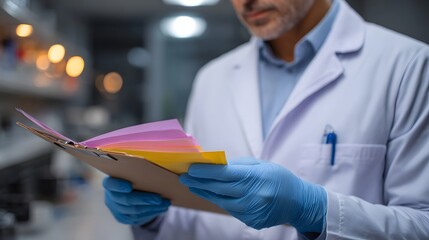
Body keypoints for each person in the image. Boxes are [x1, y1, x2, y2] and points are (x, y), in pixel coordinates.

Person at [103, 0, 429, 239]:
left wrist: (314, 211)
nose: (245, 2)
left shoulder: (408, 66)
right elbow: (198, 219)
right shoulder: (213, 78)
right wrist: (152, 218)